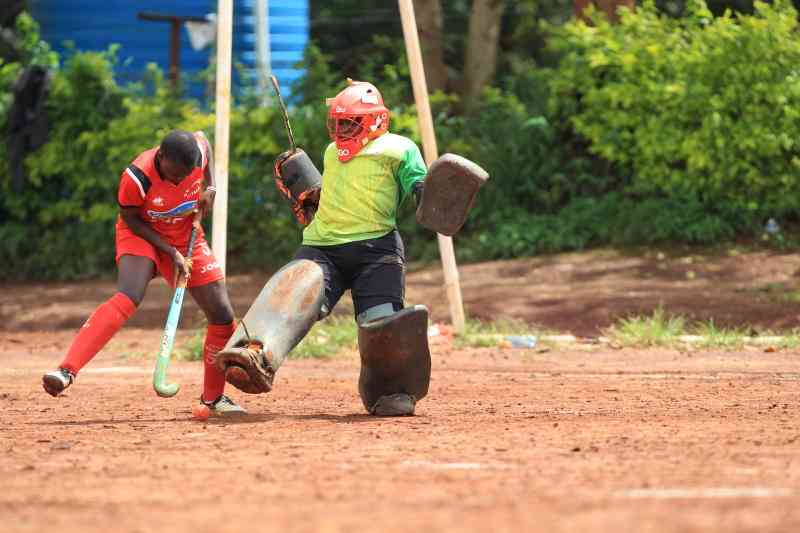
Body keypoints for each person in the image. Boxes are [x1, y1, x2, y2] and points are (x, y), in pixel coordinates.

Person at [215, 79, 432, 416]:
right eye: (338, 122)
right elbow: (336, 195)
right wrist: (314, 196)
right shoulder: (332, 152)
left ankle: (391, 393)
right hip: (323, 246)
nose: (341, 130)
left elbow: (417, 181)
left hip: (377, 248)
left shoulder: (399, 148)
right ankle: (255, 354)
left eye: (350, 122)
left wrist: (427, 192)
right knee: (292, 292)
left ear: (376, 120)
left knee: (381, 326)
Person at [42, 129, 245, 416]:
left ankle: (213, 399)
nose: (179, 180)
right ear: (161, 157)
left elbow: (205, 143)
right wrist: (170, 253)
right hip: (142, 233)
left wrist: (209, 189)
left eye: (185, 175)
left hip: (186, 234)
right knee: (129, 295)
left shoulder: (196, 153)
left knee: (223, 315)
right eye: (174, 175)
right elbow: (130, 219)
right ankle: (66, 371)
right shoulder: (137, 177)